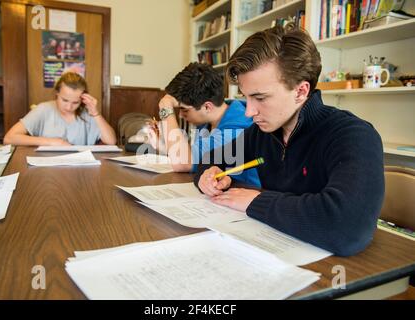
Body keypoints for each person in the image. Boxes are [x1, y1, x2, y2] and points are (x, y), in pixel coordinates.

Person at [195, 24, 385, 256]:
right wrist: (209, 173)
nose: (248, 112)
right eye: (246, 97)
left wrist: (256, 202)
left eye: (260, 97)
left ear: (301, 91)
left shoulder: (353, 135)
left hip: (336, 271)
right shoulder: (261, 132)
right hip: (273, 250)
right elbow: (213, 157)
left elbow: (348, 227)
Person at [148, 62, 260, 187]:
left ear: (207, 107)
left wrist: (165, 106)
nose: (180, 115)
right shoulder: (209, 121)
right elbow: (194, 158)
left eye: (184, 109)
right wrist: (162, 146)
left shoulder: (234, 131)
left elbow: (183, 163)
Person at [3, 72, 116, 146]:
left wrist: (96, 113)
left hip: (79, 171)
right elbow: (9, 138)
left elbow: (111, 141)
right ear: (57, 93)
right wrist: (52, 142)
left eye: (75, 102)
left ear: (82, 99)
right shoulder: (43, 109)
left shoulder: (88, 114)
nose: (69, 107)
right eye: (65, 100)